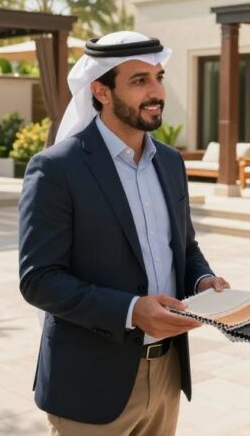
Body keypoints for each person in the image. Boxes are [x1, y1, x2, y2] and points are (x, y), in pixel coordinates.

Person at [19, 31, 229, 436]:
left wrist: (203, 280)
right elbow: (39, 281)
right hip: (89, 386)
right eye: (139, 81)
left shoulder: (170, 162)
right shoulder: (56, 169)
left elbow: (185, 249)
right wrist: (132, 310)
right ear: (100, 90)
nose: (156, 92)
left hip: (166, 375)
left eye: (159, 77)